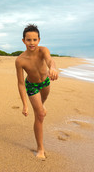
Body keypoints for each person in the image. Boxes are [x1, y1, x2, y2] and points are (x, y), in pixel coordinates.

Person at [15, 24, 59, 159]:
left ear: (39, 40)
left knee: (41, 105)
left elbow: (50, 60)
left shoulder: (43, 50)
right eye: (28, 40)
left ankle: (41, 104)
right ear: (23, 41)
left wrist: (53, 68)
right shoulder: (20, 60)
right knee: (40, 115)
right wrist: (25, 104)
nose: (32, 43)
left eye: (34, 40)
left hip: (45, 82)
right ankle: (40, 148)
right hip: (32, 86)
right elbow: (21, 83)